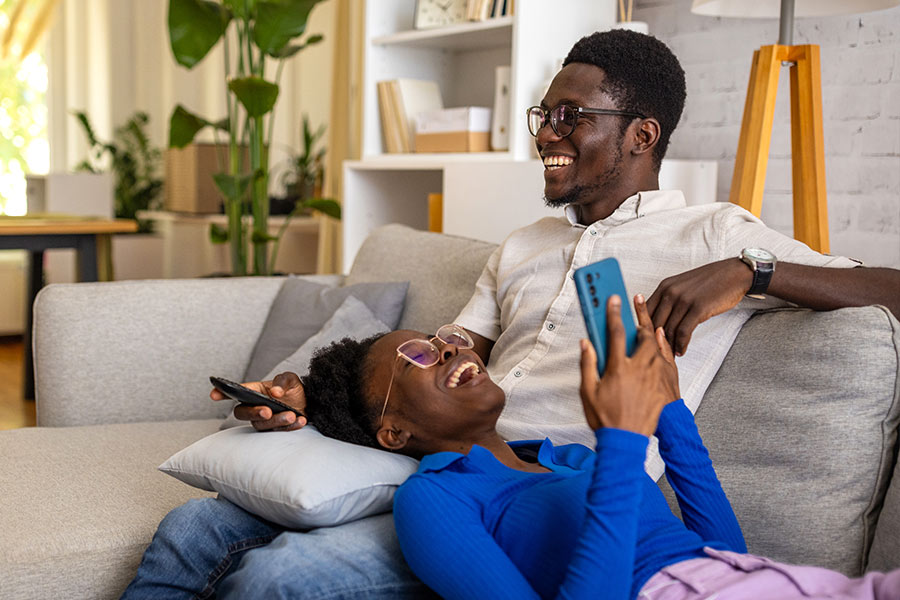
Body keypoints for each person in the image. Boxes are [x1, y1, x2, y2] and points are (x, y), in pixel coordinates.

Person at [123, 29, 900, 599]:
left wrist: (750, 269)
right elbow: (445, 349)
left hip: (567, 494)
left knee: (284, 578)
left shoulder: (716, 231)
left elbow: (891, 287)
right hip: (449, 454)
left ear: (641, 134)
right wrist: (322, 400)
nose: (546, 137)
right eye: (544, 115)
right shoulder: (523, 243)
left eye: (571, 118)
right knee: (194, 528)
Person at [300, 296, 899, 599]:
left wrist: (666, 410)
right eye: (420, 356)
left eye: (443, 340)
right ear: (394, 432)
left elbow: (720, 553)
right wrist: (620, 439)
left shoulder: (569, 456)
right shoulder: (435, 498)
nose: (453, 349)